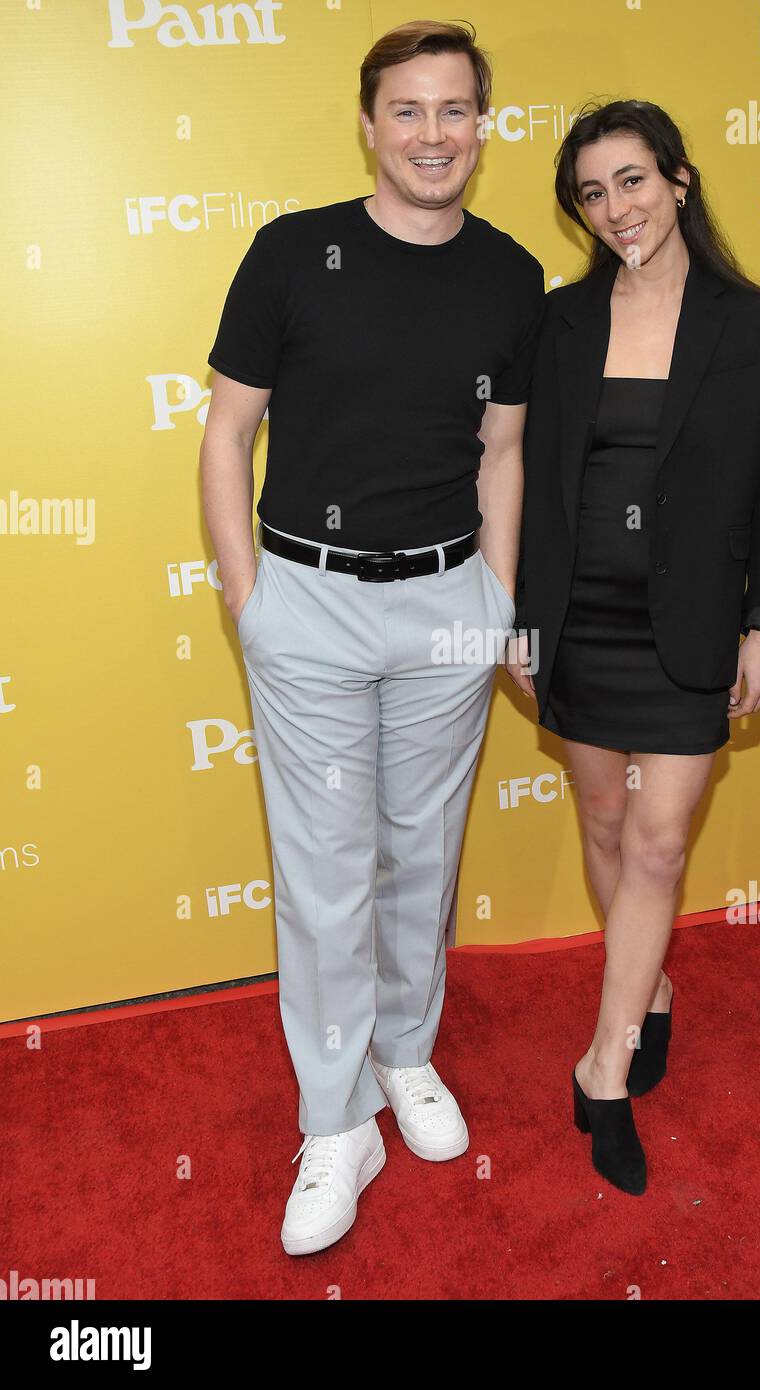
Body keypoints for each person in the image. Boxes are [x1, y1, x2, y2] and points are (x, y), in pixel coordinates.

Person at [200, 19, 544, 1254]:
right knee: (326, 871)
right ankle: (334, 1118)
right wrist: (254, 600)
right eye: (408, 110)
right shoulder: (293, 253)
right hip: (311, 604)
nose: (433, 134)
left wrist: (496, 599)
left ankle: (406, 1055)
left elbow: (502, 451)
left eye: (456, 111)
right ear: (367, 121)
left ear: (484, 127)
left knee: (419, 851)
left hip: (450, 602)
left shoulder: (511, 276)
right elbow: (228, 436)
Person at [505, 100, 760, 1196]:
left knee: (662, 843)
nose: (614, 208)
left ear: (677, 182)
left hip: (690, 626)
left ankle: (606, 1061)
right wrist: (519, 616)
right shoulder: (558, 323)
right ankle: (653, 987)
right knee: (604, 818)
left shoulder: (758, 324)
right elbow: (526, 482)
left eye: (631, 181)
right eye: (591, 191)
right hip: (579, 613)